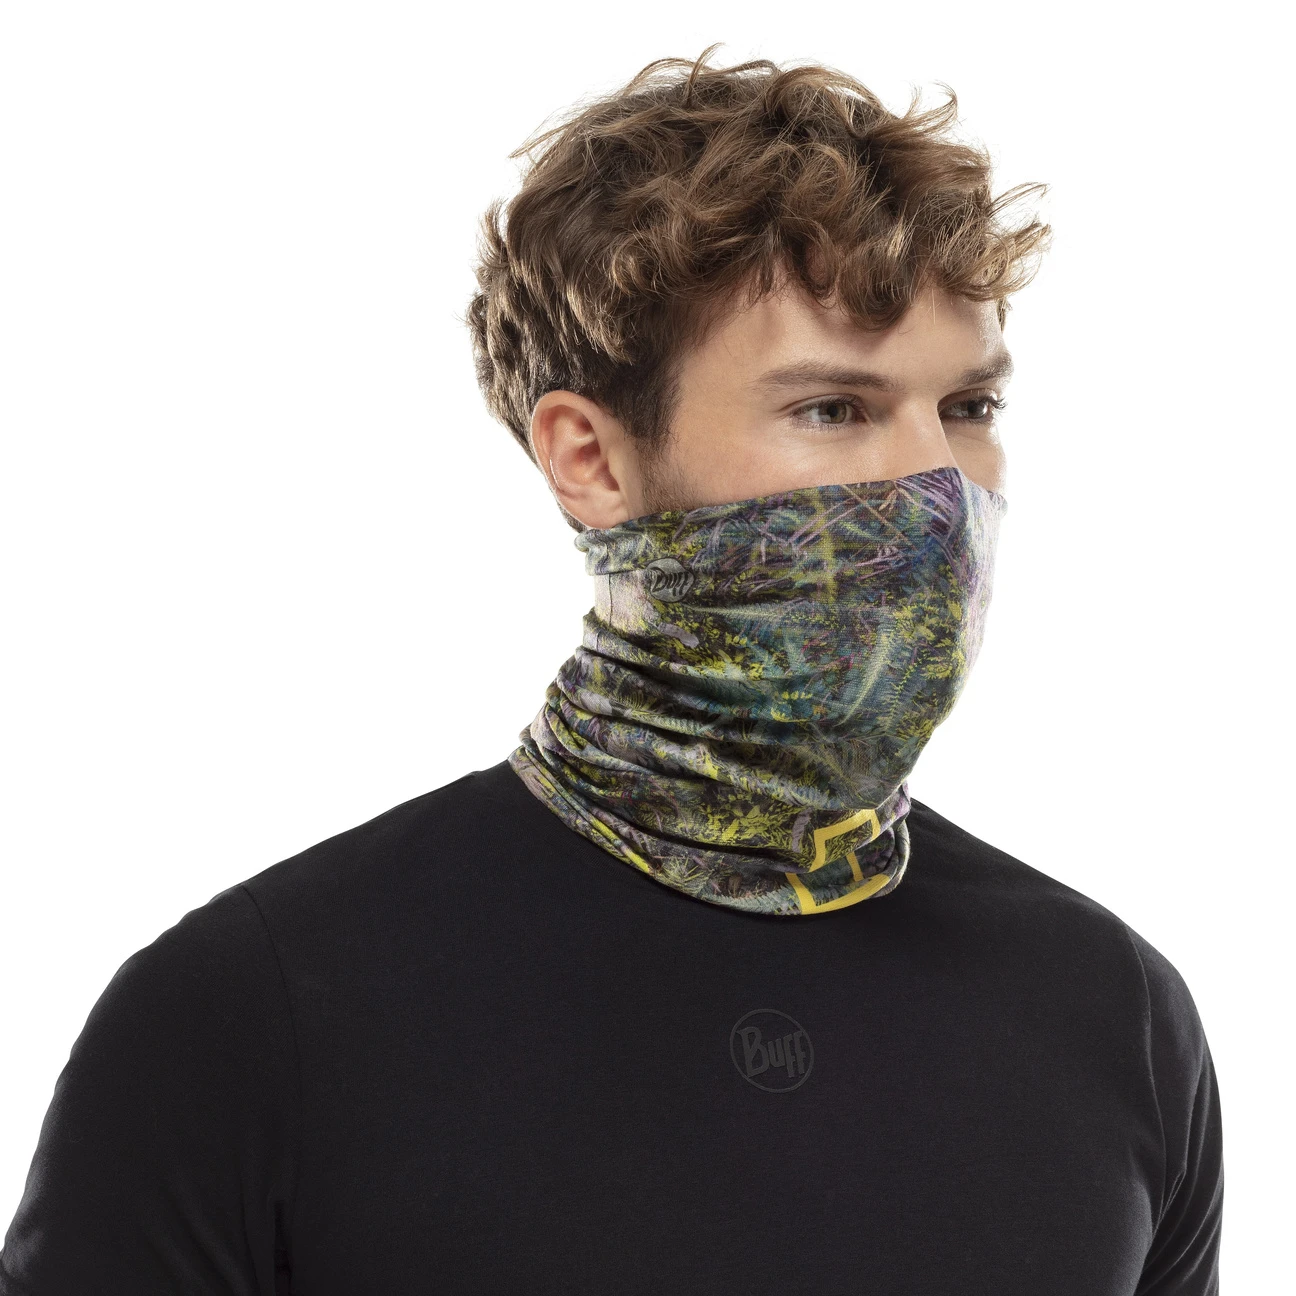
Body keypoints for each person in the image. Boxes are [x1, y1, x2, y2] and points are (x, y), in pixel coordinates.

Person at [0, 46, 1223, 1295]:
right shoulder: (252, 1021)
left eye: (969, 408)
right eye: (831, 409)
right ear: (589, 458)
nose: (937, 491)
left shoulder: (1112, 1015)